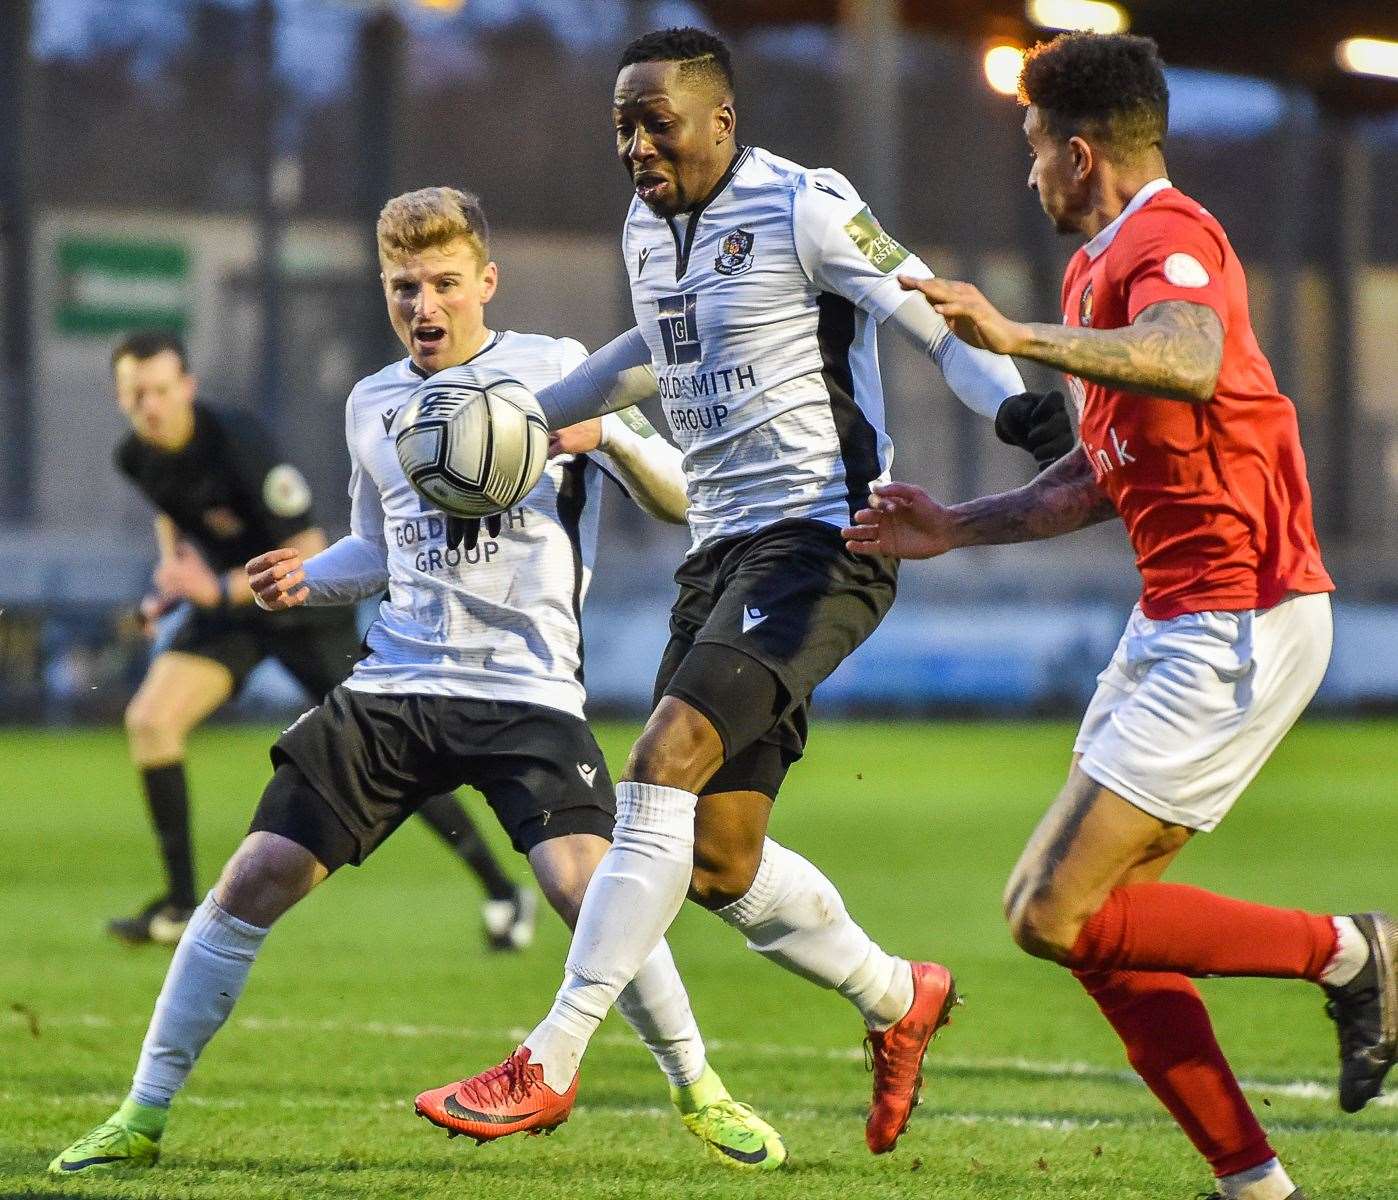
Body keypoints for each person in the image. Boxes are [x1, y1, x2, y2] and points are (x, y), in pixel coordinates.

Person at [422, 27, 1072, 1155]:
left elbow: (924, 309)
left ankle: (550, 1057)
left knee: (661, 759)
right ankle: (897, 997)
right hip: (718, 555)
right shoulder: (645, 225)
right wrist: (536, 409)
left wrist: (1013, 409)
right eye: (621, 123)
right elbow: (656, 352)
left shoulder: (806, 203)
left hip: (826, 537)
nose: (634, 143)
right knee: (719, 858)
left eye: (655, 120)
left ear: (721, 119)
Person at [49, 187, 785, 1176]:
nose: (423, 306)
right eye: (404, 287)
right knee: (250, 881)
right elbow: (375, 544)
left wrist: (603, 436)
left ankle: (700, 1088)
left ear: (485, 280)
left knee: (587, 889)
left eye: (443, 282)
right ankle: (140, 1114)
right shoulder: (373, 402)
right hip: (394, 685)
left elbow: (681, 503)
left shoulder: (556, 372)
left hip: (527, 695)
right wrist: (309, 574)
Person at [841, 32, 1394, 1200]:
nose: (1026, 172)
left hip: (1244, 615)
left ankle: (1353, 953)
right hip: (1177, 620)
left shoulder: (1170, 241)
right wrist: (954, 527)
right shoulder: (1101, 268)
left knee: (1050, 909)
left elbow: (1187, 361)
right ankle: (1256, 1183)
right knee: (1096, 922)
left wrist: (1016, 338)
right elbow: (1101, 474)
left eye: (1034, 148)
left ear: (1079, 153)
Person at [108, 331, 534, 950]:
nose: (149, 405)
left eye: (161, 391)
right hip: (232, 608)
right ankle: (177, 905)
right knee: (149, 721)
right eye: (135, 393)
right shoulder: (135, 454)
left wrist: (216, 587)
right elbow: (171, 513)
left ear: (188, 389)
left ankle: (502, 890)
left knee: (392, 758)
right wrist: (172, 580)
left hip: (301, 607)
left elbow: (308, 549)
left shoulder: (238, 442)